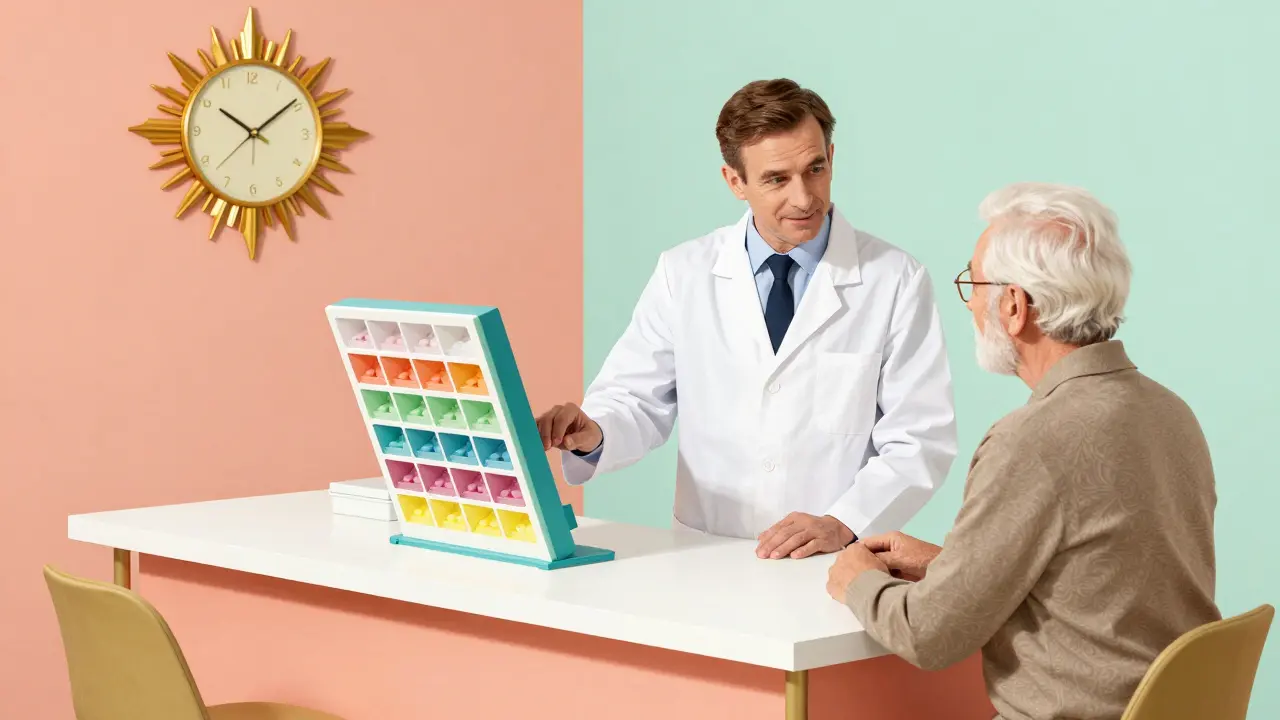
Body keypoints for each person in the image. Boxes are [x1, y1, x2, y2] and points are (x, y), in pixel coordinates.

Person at [826, 182, 1221, 719]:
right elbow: (1104, 586)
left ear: (1014, 305)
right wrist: (952, 566)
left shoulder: (1031, 440)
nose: (970, 304)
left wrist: (857, 579)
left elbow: (929, 637)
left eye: (975, 283)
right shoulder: (1170, 412)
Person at [536, 78, 958, 558]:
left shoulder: (895, 279)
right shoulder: (685, 273)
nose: (803, 198)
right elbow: (635, 398)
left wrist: (843, 523)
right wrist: (595, 432)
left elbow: (919, 438)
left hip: (831, 561)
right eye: (777, 179)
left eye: (815, 169)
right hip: (702, 553)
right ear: (735, 182)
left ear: (831, 158)